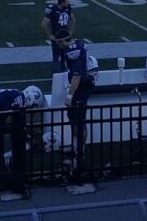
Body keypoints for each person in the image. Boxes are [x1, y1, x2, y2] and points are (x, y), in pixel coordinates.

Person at [56, 30, 96, 181]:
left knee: (79, 122)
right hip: (81, 87)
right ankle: (76, 149)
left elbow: (77, 77)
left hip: (81, 89)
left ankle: (80, 153)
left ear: (62, 41)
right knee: (74, 120)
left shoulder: (73, 52)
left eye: (59, 43)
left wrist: (69, 96)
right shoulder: (76, 45)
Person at [41, 0, 75, 72]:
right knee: (57, 57)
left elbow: (73, 19)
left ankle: (64, 74)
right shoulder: (52, 10)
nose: (68, 3)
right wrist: (49, 35)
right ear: (62, 3)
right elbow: (43, 24)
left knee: (65, 56)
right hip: (57, 37)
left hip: (66, 37)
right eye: (66, 2)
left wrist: (71, 31)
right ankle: (57, 75)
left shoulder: (67, 8)